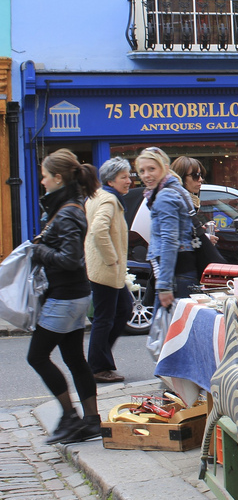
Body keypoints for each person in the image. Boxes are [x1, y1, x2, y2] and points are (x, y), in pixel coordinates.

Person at [27, 148, 102, 444]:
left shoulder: (68, 211)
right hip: (73, 294)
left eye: (45, 176)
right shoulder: (67, 207)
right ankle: (91, 420)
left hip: (66, 296)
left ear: (58, 178)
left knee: (37, 356)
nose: (42, 181)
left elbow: (70, 259)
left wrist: (39, 251)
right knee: (74, 358)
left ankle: (70, 416)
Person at [85, 157, 132, 384]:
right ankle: (97, 366)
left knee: (124, 308)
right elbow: (98, 230)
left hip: (103, 269)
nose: (129, 181)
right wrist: (112, 259)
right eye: (124, 177)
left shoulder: (98, 195)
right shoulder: (109, 200)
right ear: (111, 181)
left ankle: (100, 359)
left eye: (129, 176)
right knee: (104, 318)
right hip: (106, 270)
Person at [136, 147, 195, 309]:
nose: (146, 175)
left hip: (175, 276)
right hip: (180, 274)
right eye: (142, 171)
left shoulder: (165, 196)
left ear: (165, 168)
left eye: (152, 169)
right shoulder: (176, 190)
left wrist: (164, 286)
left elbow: (169, 241)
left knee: (168, 325)